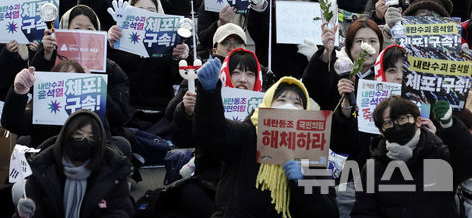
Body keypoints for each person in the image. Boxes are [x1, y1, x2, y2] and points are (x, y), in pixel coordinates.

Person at [193, 60, 339, 217]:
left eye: (297, 103)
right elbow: (213, 135)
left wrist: (305, 181)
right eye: (281, 100)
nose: (288, 106)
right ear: (268, 104)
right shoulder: (247, 133)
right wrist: (209, 93)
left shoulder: (312, 154)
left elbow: (328, 212)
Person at [352, 96, 472, 217]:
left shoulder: (438, 155)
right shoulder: (373, 168)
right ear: (381, 131)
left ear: (418, 121)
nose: (397, 125)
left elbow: (466, 162)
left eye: (402, 118)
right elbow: (364, 211)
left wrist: (450, 126)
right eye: (389, 122)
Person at [22, 109, 135, 217]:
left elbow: (121, 210)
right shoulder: (42, 169)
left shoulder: (113, 171)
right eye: (78, 135)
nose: (84, 141)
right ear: (65, 136)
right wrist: (26, 213)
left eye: (91, 138)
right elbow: (35, 207)